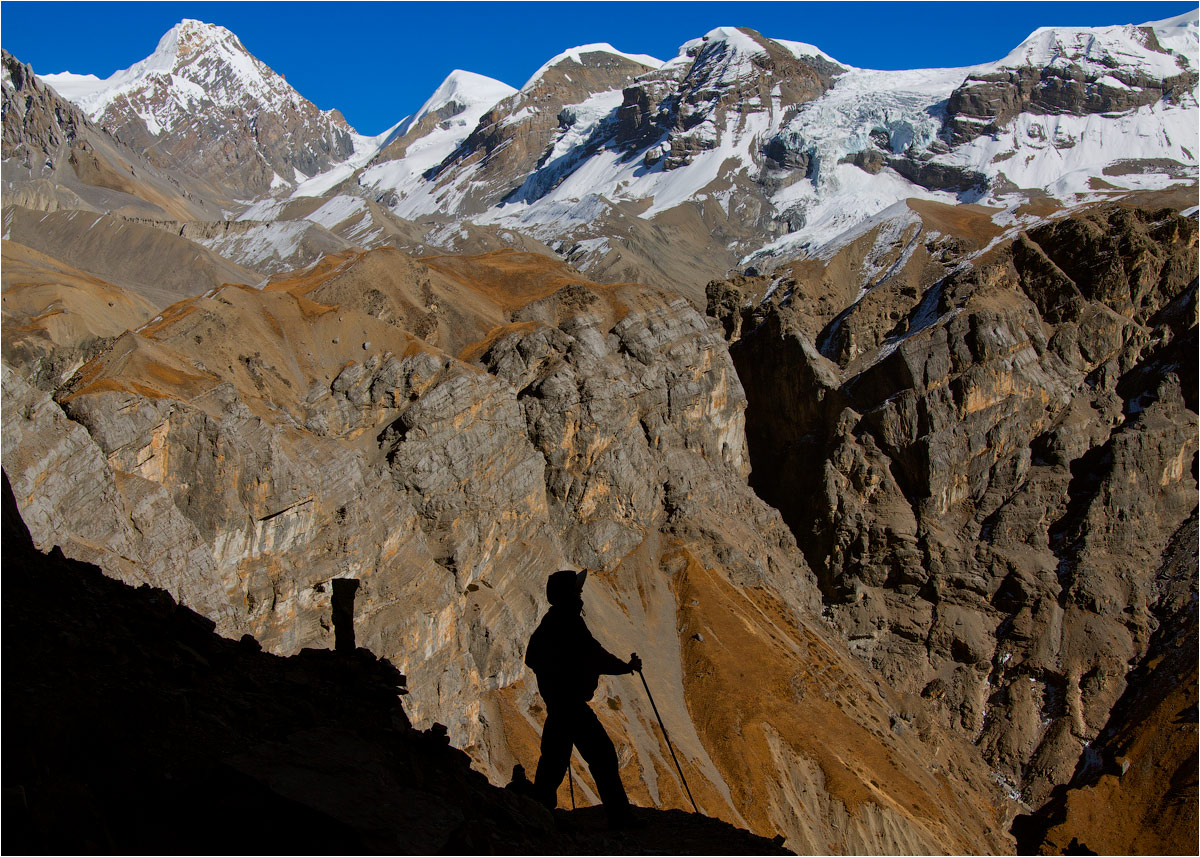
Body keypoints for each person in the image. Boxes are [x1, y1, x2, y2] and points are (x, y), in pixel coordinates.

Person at [524, 569, 641, 827]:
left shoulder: (550, 622)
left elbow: (533, 658)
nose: (580, 593)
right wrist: (625, 667)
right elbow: (594, 655)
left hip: (557, 705)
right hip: (572, 705)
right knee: (603, 756)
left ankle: (537, 812)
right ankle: (620, 818)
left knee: (553, 760)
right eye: (576, 590)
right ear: (568, 594)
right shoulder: (569, 622)